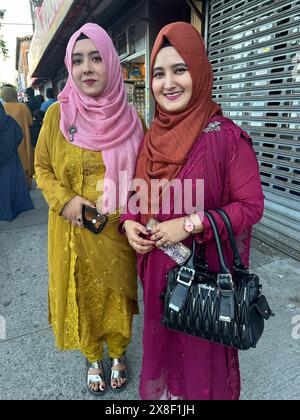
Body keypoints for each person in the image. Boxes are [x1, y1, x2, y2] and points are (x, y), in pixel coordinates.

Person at [121, 22, 264, 400]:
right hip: (158, 276)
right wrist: (129, 224)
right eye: (158, 73)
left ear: (200, 71)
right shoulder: (152, 137)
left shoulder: (228, 138)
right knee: (164, 356)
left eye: (180, 69)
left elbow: (251, 207)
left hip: (205, 282)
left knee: (201, 365)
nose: (168, 83)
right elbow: (138, 199)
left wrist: (189, 224)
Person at [34, 23, 144, 396]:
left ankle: (118, 352)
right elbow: (42, 168)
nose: (87, 68)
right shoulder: (57, 117)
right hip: (72, 232)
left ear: (111, 62)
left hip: (115, 232)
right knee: (81, 297)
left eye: (96, 57)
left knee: (117, 296)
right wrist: (66, 201)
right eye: (78, 60)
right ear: (69, 67)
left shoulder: (131, 121)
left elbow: (143, 178)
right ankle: (92, 356)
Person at [0, 103, 34, 221]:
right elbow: (19, 134)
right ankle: (16, 206)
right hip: (11, 158)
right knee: (14, 183)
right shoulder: (9, 120)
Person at [1, 85, 34, 189]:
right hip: (23, 138)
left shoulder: (3, 108)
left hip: (7, 140)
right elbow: (30, 122)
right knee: (25, 160)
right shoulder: (23, 107)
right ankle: (26, 183)